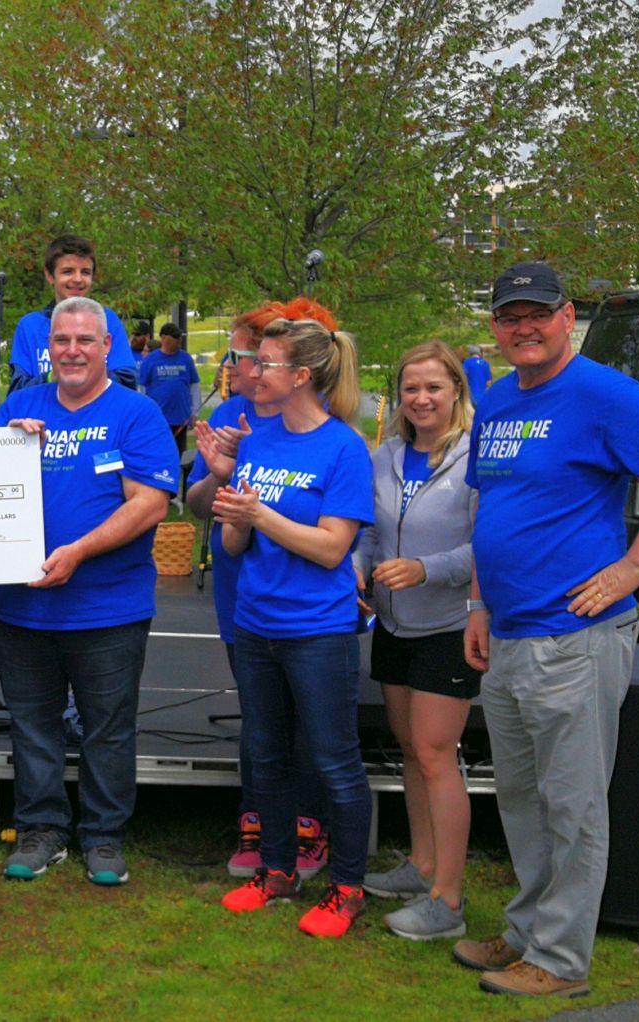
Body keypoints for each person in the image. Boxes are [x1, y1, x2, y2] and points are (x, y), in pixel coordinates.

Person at [456, 262, 639, 997]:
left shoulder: (600, 391)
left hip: (576, 636)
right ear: (497, 327)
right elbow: (487, 509)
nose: (523, 327)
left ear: (568, 316)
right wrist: (478, 603)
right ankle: (526, 933)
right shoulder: (502, 397)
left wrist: (635, 567)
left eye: (539, 313)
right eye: (510, 317)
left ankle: (562, 961)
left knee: (571, 804)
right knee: (522, 798)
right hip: (508, 632)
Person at [0, 295, 180, 885]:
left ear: (106, 348)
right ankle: (42, 831)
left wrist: (78, 552)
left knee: (108, 726)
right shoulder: (17, 409)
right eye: (61, 341)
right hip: (21, 606)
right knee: (33, 723)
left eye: (84, 341)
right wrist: (6, 449)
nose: (72, 351)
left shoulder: (136, 414)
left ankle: (103, 838)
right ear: (48, 348)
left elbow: (149, 501)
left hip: (108, 606)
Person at [213, 317, 374, 938]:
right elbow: (232, 544)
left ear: (301, 376)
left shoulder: (343, 447)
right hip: (256, 624)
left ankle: (347, 888)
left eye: (266, 362)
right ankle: (277, 871)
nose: (249, 371)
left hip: (317, 630)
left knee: (334, 762)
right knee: (268, 755)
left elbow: (333, 549)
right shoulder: (257, 440)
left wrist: (259, 512)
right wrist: (235, 510)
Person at [189, 301, 334, 881]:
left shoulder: (323, 425)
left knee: (310, 723)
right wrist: (218, 475)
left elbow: (337, 524)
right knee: (261, 718)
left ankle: (309, 828)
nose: (242, 367)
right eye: (245, 356)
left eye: (250, 356)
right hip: (243, 594)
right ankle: (258, 824)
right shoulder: (232, 414)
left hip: (307, 605)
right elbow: (201, 507)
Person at [355, 340, 480, 940]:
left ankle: (447, 901)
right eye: (411, 388)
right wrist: (358, 566)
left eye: (434, 386)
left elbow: (489, 548)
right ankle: (422, 865)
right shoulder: (387, 455)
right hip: (394, 624)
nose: (422, 398)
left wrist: (428, 568)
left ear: (456, 389)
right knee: (409, 749)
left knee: (435, 755)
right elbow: (374, 534)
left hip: (447, 626)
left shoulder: (475, 457)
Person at [8, 234, 139, 393]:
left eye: (85, 272)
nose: (78, 279)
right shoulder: (30, 326)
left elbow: (127, 381)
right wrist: (53, 376)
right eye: (68, 271)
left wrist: (83, 374)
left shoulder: (107, 320)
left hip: (98, 416)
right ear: (50, 276)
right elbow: (17, 391)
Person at [138, 322, 200, 452]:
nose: (178, 341)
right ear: (164, 338)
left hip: (181, 417)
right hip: (158, 417)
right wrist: (143, 413)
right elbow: (141, 388)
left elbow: (194, 385)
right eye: (175, 338)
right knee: (159, 451)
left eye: (179, 338)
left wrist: (195, 412)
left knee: (179, 452)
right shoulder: (151, 360)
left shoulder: (186, 358)